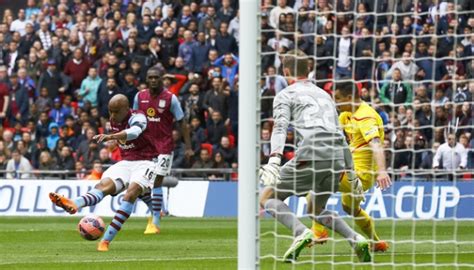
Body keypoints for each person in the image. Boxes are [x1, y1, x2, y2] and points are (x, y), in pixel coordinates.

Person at [259, 50, 371, 262]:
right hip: (337, 158)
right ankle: (355, 238)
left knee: (267, 198)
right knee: (315, 209)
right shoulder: (325, 95)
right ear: (308, 69)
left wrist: (274, 159)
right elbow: (341, 134)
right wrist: (352, 174)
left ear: (286, 71)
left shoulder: (285, 94)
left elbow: (280, 127)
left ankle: (300, 232)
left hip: (312, 151)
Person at [49, 94, 156, 252]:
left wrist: (111, 137)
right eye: (110, 111)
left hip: (147, 161)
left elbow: (134, 133)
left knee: (130, 194)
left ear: (126, 109)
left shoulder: (138, 116)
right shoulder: (113, 121)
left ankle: (105, 241)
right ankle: (74, 203)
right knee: (103, 185)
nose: (112, 115)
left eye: (116, 111)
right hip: (126, 162)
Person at [309, 82, 392, 252]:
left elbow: (376, 144)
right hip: (350, 170)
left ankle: (318, 231)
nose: (335, 101)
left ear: (349, 98)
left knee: (316, 178)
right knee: (350, 208)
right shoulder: (346, 114)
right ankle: (376, 243)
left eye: (337, 98)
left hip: (362, 176)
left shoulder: (366, 117)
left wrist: (383, 171)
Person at [133, 66, 193, 234]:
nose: (153, 80)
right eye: (150, 77)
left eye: (156, 77)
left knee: (157, 181)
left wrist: (188, 147)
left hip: (164, 146)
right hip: (144, 146)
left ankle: (156, 222)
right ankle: (156, 210)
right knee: (138, 183)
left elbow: (182, 122)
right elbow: (134, 119)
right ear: (146, 79)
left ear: (162, 79)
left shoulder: (170, 99)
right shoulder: (139, 97)